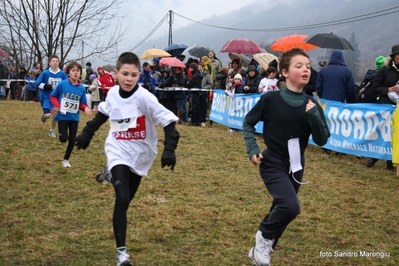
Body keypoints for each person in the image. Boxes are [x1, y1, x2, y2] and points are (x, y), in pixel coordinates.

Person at [74, 52, 180, 266]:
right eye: (125, 74)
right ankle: (122, 255)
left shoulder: (145, 98)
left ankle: (110, 175)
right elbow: (103, 114)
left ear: (139, 75)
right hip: (118, 149)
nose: (129, 79)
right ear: (116, 73)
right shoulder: (112, 94)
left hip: (141, 155)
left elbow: (168, 120)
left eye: (133, 75)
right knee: (121, 199)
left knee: (126, 201)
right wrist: (88, 132)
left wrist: (169, 149)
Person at [242, 48, 330, 266]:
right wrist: (252, 149)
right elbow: (248, 122)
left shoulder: (312, 104)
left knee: (279, 208)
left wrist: (314, 116)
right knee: (290, 207)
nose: (305, 70)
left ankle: (260, 251)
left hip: (297, 165)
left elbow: (322, 139)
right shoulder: (271, 99)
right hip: (272, 161)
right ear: (285, 72)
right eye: (298, 66)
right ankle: (263, 239)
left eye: (308, 67)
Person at [50, 61, 92, 168]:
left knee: (72, 139)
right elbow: (53, 96)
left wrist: (86, 108)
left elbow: (81, 103)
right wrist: (57, 105)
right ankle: (61, 135)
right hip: (63, 116)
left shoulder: (82, 88)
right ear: (68, 73)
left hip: (74, 117)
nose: (75, 73)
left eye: (78, 71)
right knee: (63, 138)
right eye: (73, 70)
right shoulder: (62, 84)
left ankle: (66, 160)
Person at [366, 45, 399, 171]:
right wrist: (389, 89)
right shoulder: (384, 70)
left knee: (396, 135)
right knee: (384, 133)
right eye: (398, 55)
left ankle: (392, 161)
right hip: (386, 106)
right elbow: (375, 88)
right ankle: (375, 157)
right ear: (394, 57)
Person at [35, 55, 68, 137]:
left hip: (57, 98)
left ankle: (52, 130)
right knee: (47, 115)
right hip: (47, 97)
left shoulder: (62, 74)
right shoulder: (45, 73)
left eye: (56, 61)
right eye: (53, 61)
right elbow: (37, 83)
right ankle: (44, 115)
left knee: (55, 114)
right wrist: (45, 86)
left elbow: (66, 84)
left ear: (58, 63)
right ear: (49, 63)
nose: (55, 62)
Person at [198, 62, 213, 126]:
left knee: (203, 107)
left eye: (200, 67)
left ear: (203, 68)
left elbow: (211, 84)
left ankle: (203, 120)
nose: (199, 68)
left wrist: (204, 88)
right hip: (198, 92)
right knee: (198, 106)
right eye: (198, 67)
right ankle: (198, 119)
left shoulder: (207, 75)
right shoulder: (197, 74)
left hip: (204, 93)